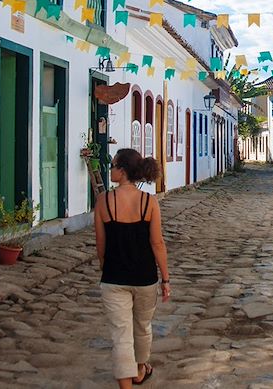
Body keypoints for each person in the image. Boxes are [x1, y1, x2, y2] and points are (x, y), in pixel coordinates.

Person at [94, 148, 171, 388]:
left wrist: (105, 267)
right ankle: (139, 369)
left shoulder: (103, 200)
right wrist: (165, 279)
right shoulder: (149, 202)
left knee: (121, 335)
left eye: (114, 164)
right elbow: (157, 243)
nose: (111, 168)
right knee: (142, 327)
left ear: (123, 170)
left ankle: (127, 383)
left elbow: (101, 243)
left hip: (114, 277)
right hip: (145, 277)